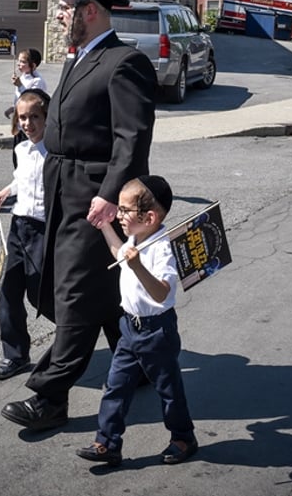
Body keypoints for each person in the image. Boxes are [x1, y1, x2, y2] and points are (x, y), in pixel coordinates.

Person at [2, 0, 156, 432]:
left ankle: (50, 396)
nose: (58, 14)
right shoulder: (78, 57)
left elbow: (132, 139)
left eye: (66, 6)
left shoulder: (123, 61)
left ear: (89, 10)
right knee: (101, 293)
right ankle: (143, 360)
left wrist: (111, 197)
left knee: (75, 294)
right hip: (64, 189)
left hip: (94, 199)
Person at [76, 175, 198, 467]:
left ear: (150, 216)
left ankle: (183, 437)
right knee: (116, 387)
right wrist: (104, 225)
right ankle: (107, 443)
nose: (119, 215)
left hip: (157, 331)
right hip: (129, 328)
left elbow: (162, 292)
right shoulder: (136, 237)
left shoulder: (162, 249)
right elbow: (120, 253)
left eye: (124, 210)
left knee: (169, 390)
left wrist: (137, 265)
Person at [0, 88, 50, 381]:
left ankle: (74, 340)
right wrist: (5, 191)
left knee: (41, 294)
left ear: (47, 117)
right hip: (18, 226)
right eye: (22, 118)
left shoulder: (55, 151)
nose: (27, 124)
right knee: (9, 290)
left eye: (34, 117)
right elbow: (20, 178)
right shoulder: (21, 149)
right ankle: (16, 355)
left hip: (43, 228)